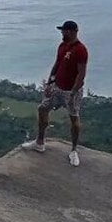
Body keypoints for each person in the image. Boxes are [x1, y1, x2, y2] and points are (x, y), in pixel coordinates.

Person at [22, 19, 88, 166]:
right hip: (57, 88)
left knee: (74, 119)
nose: (62, 33)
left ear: (71, 31)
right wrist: (50, 82)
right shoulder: (62, 46)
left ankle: (74, 151)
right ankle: (39, 142)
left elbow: (81, 74)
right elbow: (57, 64)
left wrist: (73, 93)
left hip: (72, 91)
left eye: (63, 30)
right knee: (42, 109)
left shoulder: (81, 50)